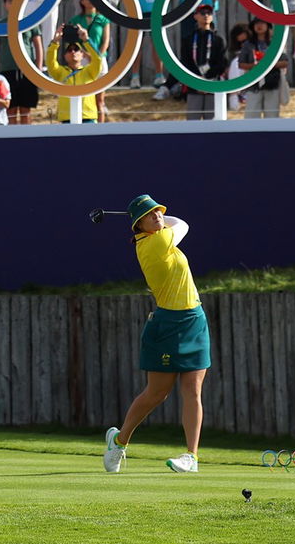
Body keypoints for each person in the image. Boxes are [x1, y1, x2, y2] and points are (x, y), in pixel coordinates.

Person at [102, 194, 209, 475]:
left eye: (159, 212)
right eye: (150, 215)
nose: (158, 217)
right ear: (139, 225)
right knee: (157, 393)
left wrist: (151, 215)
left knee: (193, 391)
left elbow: (172, 222)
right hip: (167, 324)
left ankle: (191, 457)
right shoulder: (155, 243)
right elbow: (182, 224)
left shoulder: (158, 235)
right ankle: (119, 441)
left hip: (194, 319)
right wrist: (155, 220)